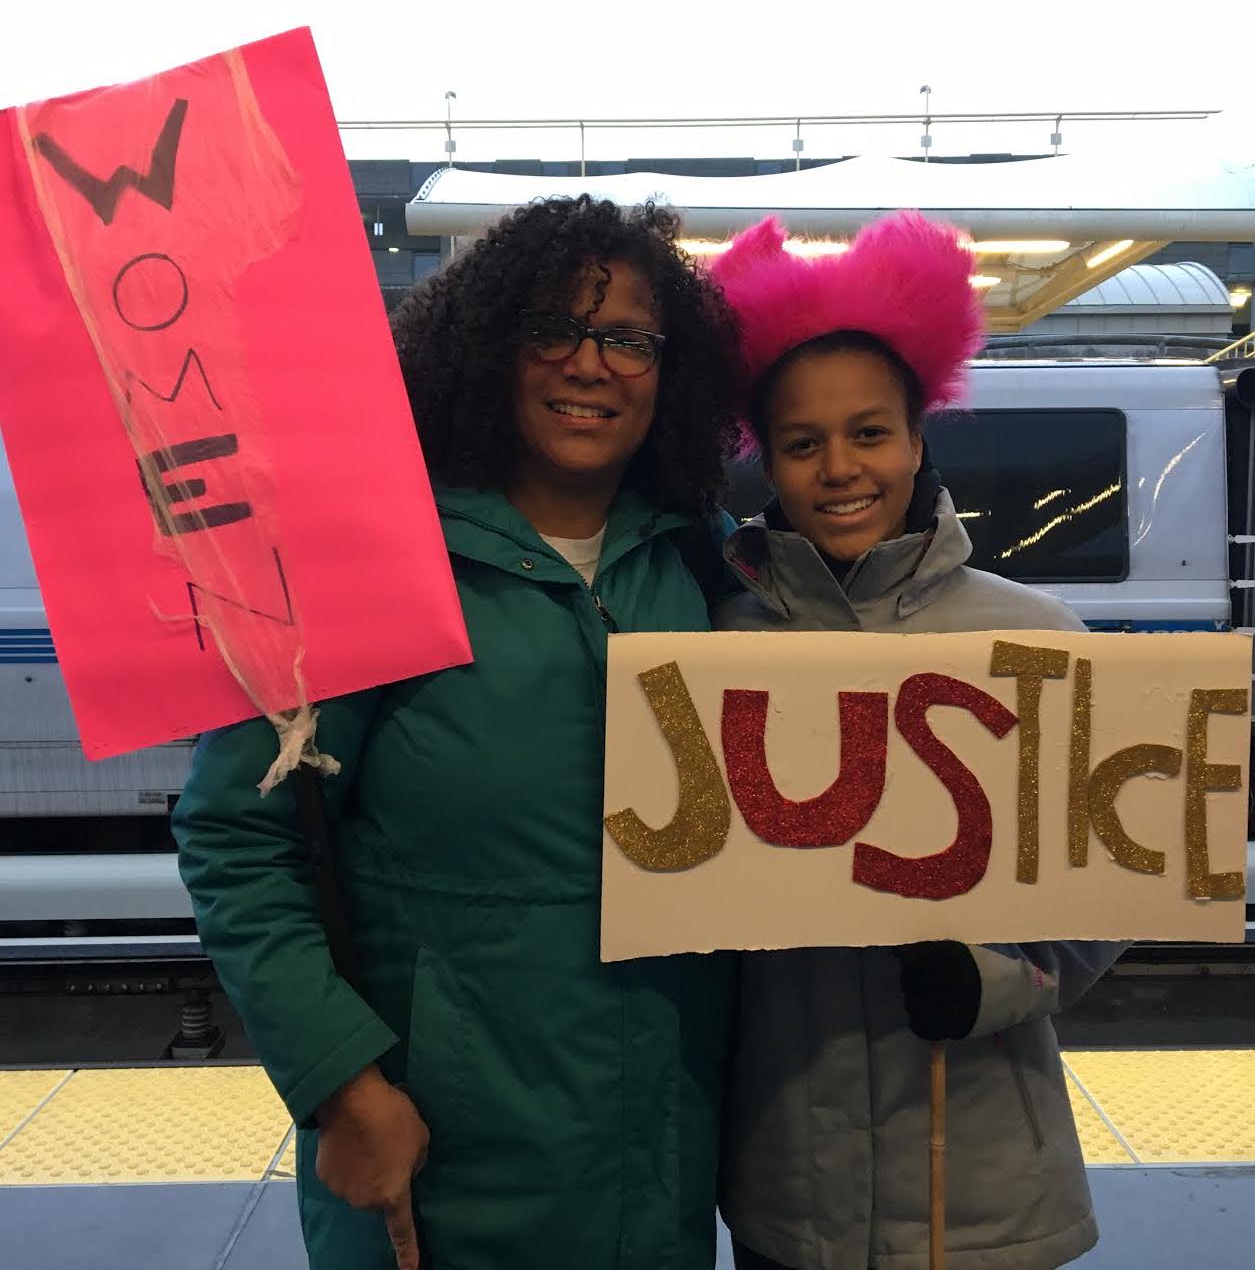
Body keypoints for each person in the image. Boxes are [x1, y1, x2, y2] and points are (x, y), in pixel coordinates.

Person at [172, 195, 743, 1270]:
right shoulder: (366, 564)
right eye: (551, 328)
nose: (589, 363)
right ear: (489, 348)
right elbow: (236, 835)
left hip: (658, 1158)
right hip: (433, 1166)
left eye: (627, 338)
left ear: (671, 372)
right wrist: (340, 1087)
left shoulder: (700, 566)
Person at [707, 212, 1125, 1270]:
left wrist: (997, 978)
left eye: (869, 431)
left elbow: (1109, 899)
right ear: (769, 461)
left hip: (986, 1199)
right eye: (802, 443)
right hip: (786, 1194)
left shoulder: (1036, 638)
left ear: (918, 436)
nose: (839, 467)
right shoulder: (714, 650)